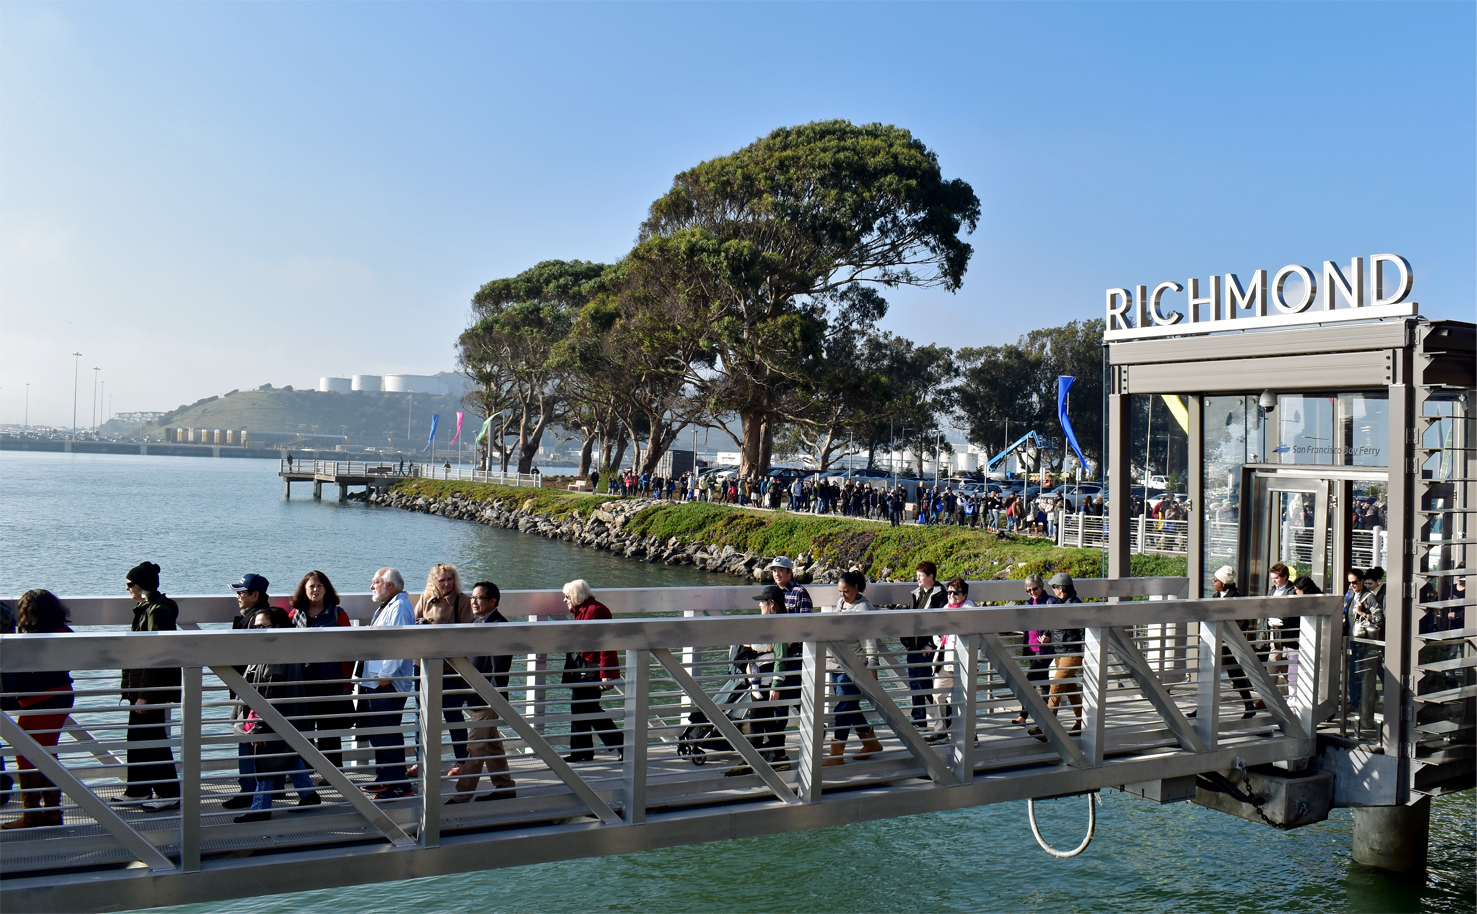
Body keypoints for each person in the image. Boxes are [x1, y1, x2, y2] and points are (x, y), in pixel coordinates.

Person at [233, 606, 321, 823]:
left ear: (278, 627)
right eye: (255, 627)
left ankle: (260, 809)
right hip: (287, 721)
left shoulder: (274, 658)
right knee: (287, 755)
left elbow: (272, 696)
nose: (257, 631)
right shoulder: (283, 650)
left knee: (266, 763)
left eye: (263, 627)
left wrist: (260, 727)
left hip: (275, 722)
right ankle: (309, 795)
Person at [1, 590, 74, 828]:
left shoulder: (31, 636)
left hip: (41, 700)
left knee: (27, 755)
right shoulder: (64, 631)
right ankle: (52, 814)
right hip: (62, 696)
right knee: (45, 752)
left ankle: (33, 815)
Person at [118, 562, 182, 811]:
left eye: (129, 584)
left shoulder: (158, 610)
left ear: (141, 585)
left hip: (151, 689)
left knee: (152, 738)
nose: (126, 589)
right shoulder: (148, 607)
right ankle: (138, 789)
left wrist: (145, 695)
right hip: (142, 687)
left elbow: (157, 655)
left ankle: (169, 793)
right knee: (136, 736)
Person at [448, 581, 517, 803]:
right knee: (491, 745)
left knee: (476, 747)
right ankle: (505, 788)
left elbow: (500, 668)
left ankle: (462, 796)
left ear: (492, 601)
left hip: (487, 698)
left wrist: (495, 699)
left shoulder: (499, 625)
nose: (473, 602)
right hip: (473, 694)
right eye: (472, 598)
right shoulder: (477, 621)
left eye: (479, 598)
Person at [725, 584, 803, 776]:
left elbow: (780, 660)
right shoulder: (770, 625)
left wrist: (776, 685)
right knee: (764, 720)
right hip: (764, 681)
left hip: (769, 683)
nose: (759, 605)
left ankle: (753, 761)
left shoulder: (779, 627)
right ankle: (777, 758)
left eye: (762, 602)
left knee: (758, 719)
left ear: (772, 604)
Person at [289, 571, 354, 772]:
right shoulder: (294, 615)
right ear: (304, 590)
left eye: (319, 586)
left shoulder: (338, 614)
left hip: (330, 682)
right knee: (303, 730)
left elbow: (348, 652)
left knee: (329, 731)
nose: (315, 590)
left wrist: (346, 684)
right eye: (311, 586)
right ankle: (305, 772)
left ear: (326, 589)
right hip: (302, 683)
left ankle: (332, 771)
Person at [361, 568, 416, 799]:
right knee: (379, 733)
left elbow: (399, 644)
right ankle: (384, 777)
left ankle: (398, 784)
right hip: (377, 682)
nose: (372, 587)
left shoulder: (400, 607)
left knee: (388, 733)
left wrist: (385, 677)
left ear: (389, 585)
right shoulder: (389, 604)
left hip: (386, 684)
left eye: (375, 582)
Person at [415, 564, 475, 774]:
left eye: (450, 579)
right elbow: (412, 624)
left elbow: (467, 632)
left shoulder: (462, 600)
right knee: (421, 714)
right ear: (434, 581)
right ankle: (420, 761)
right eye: (442, 580)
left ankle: (462, 761)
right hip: (423, 665)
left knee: (452, 714)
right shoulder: (425, 598)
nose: (447, 583)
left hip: (450, 667)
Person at [222, 573, 273, 810]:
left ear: (255, 595)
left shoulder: (256, 620)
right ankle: (267, 788)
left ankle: (249, 791)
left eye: (242, 592)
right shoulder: (261, 616)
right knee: (262, 741)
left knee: (246, 737)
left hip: (251, 689)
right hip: (253, 688)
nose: (238, 597)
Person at [822, 570, 882, 766]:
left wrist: (872, 665)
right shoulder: (842, 603)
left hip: (854, 665)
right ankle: (870, 741)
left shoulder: (863, 608)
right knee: (849, 705)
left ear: (856, 588)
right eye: (840, 591)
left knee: (843, 707)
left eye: (846, 591)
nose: (842, 595)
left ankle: (836, 753)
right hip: (836, 663)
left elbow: (869, 639)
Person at [560, 579, 623, 762]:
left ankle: (621, 744)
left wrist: (606, 675)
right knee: (579, 707)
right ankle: (581, 752)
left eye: (566, 596)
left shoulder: (596, 610)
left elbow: (605, 645)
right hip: (581, 667)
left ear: (576, 595)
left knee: (588, 708)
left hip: (591, 669)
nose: (564, 600)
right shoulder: (582, 611)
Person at [926, 578, 973, 742]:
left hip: (963, 661)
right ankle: (940, 731)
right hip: (946, 660)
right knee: (938, 693)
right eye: (949, 592)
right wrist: (939, 638)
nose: (951, 595)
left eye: (956, 592)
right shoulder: (946, 608)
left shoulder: (969, 608)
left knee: (964, 699)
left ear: (964, 595)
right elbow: (937, 633)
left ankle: (969, 735)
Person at [1038, 573, 1084, 733]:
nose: (1052, 590)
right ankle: (1081, 723)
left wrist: (1085, 653)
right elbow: (1054, 623)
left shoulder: (1076, 605)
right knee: (1071, 690)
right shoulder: (1058, 603)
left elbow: (1083, 631)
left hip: (1072, 653)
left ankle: (1046, 729)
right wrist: (1047, 635)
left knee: (1056, 687)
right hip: (1060, 653)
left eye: (1054, 587)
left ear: (1061, 588)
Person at [906, 561, 948, 727]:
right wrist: (906, 641)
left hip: (928, 649)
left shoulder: (940, 595)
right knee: (914, 682)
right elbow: (909, 619)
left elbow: (942, 623)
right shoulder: (916, 594)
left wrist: (931, 644)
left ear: (931, 576)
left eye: (921, 575)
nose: (917, 578)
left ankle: (944, 715)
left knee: (925, 683)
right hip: (914, 647)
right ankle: (919, 718)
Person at [1012, 574, 1056, 725]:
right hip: (1032, 647)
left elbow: (1056, 622)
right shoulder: (1029, 603)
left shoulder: (1050, 601)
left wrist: (1048, 636)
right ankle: (1043, 717)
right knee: (1043, 682)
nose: (1032, 592)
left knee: (1028, 682)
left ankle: (1024, 715)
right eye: (1028, 590)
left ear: (1042, 586)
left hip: (1045, 649)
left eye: (1034, 589)